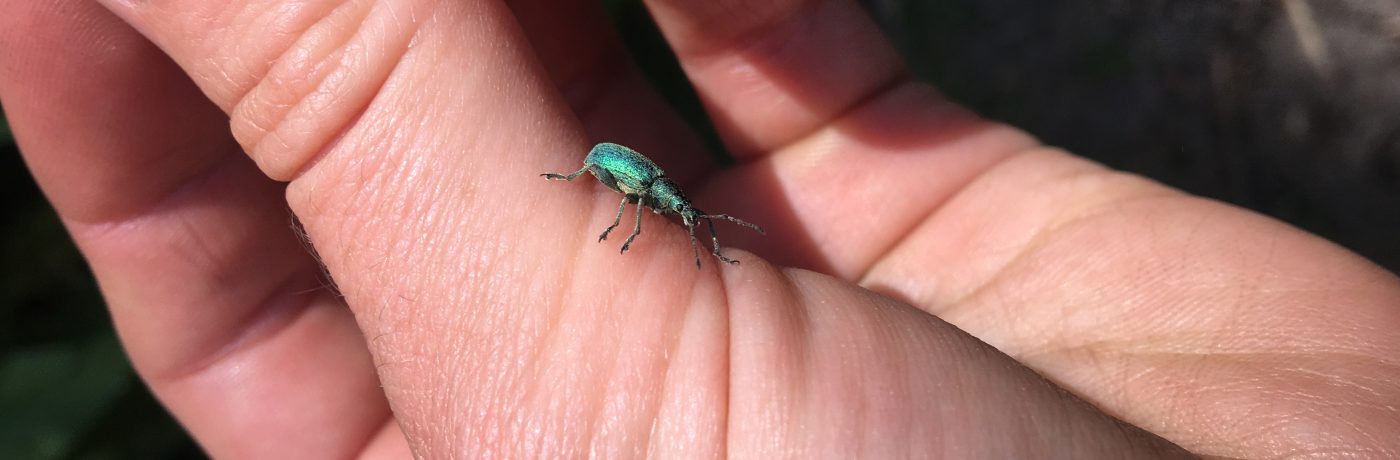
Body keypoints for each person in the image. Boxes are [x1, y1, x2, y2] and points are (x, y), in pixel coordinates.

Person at [2, 0, 1396, 458]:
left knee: (630, 202)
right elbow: (622, 194)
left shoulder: (667, 209)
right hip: (597, 164)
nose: (666, 221)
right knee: (600, 189)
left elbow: (653, 211)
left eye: (668, 217)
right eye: (666, 216)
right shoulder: (635, 196)